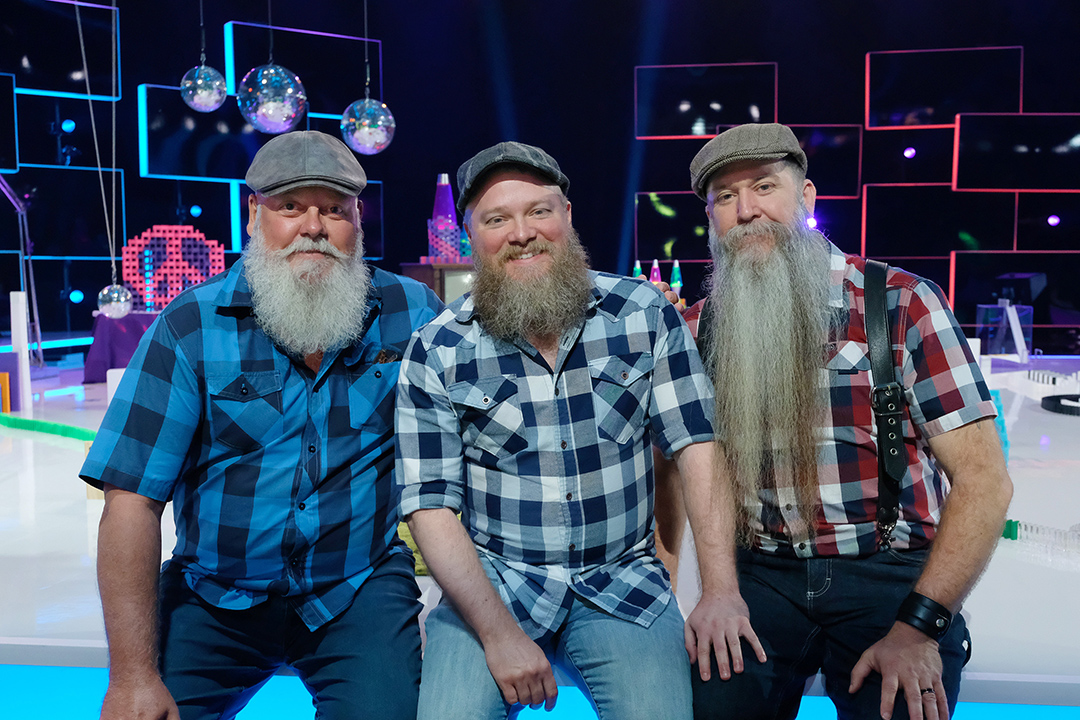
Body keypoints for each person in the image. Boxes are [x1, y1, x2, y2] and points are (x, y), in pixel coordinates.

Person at [81, 130, 443, 720]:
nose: (314, 227)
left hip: (356, 590)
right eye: (290, 207)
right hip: (215, 596)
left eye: (334, 209)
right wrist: (132, 677)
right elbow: (131, 501)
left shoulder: (412, 313)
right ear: (254, 215)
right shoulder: (190, 326)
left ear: (358, 220)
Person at [394, 141, 762, 720]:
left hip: (622, 585)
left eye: (539, 211)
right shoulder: (437, 349)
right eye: (497, 219)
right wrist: (496, 635)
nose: (522, 233)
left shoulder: (642, 312)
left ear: (567, 215)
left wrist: (719, 590)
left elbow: (697, 446)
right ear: (471, 236)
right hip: (495, 589)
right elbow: (430, 508)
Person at [676, 123, 1013, 720]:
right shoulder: (700, 328)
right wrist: (715, 591)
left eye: (763, 187)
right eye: (724, 199)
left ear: (806, 199)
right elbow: (693, 472)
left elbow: (985, 482)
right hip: (760, 574)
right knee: (706, 703)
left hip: (888, 571)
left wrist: (919, 628)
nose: (747, 211)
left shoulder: (901, 303)